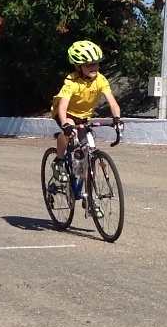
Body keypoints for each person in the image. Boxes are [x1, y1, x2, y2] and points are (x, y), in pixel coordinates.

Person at [49, 40, 124, 213]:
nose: (93, 67)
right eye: (88, 64)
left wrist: (117, 119)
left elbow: (112, 103)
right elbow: (62, 106)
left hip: (84, 116)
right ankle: (59, 162)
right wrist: (66, 125)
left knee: (88, 155)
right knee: (68, 130)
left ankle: (89, 197)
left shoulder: (101, 80)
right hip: (66, 113)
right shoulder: (72, 82)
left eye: (96, 63)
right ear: (78, 66)